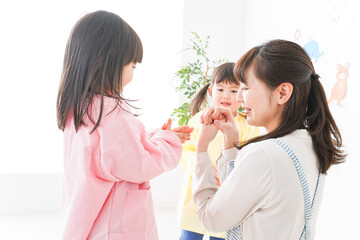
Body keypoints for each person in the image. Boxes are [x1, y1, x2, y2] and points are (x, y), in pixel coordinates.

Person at [56, 10, 193, 240]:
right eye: (132, 66)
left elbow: (115, 153)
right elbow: (140, 165)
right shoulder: (109, 112)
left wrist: (157, 136)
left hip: (92, 223)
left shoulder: (79, 107)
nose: (132, 74)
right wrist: (166, 142)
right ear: (105, 62)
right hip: (116, 229)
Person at [192, 40, 346, 240]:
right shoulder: (310, 142)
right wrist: (231, 141)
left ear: (282, 93)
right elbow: (241, 195)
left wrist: (201, 149)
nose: (238, 98)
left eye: (245, 88)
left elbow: (211, 218)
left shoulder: (264, 155)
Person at [176, 62, 260, 240]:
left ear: (243, 94)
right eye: (220, 89)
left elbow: (252, 156)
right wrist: (203, 170)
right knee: (190, 234)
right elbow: (186, 152)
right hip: (195, 195)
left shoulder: (248, 125)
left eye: (233, 90)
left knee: (221, 234)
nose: (226, 96)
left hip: (227, 196)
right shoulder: (200, 119)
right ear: (210, 91)